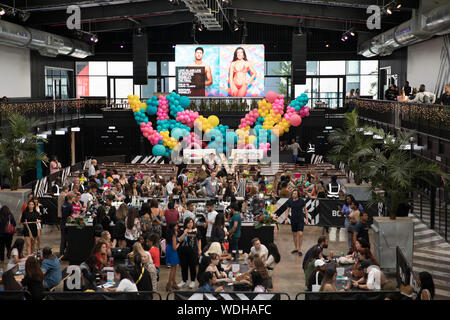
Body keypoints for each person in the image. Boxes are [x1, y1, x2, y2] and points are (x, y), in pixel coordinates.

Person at [177, 217, 202, 289]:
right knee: (184, 266)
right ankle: (184, 281)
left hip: (193, 252)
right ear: (186, 223)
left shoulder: (196, 230)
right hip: (183, 251)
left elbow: (199, 240)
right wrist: (184, 233)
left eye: (191, 222)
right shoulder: (182, 230)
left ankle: (193, 281)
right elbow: (179, 240)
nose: (190, 224)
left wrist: (199, 250)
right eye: (188, 223)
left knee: (192, 266)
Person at [286, 189, 309, 256]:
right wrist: (286, 219)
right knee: (294, 234)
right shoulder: (290, 201)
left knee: (300, 234)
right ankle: (296, 248)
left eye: (295, 193)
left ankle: (299, 249)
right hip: (293, 219)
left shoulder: (301, 201)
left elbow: (305, 209)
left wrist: (307, 219)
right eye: (293, 193)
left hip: (300, 219)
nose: (294, 194)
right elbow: (288, 210)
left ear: (298, 194)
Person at [165, 222, 180, 291]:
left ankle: (174, 283)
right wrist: (179, 243)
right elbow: (175, 247)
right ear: (173, 227)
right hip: (173, 251)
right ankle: (169, 285)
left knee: (174, 267)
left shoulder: (169, 233)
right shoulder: (173, 235)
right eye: (176, 226)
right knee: (173, 269)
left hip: (169, 249)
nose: (177, 227)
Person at [60, 192, 74, 258]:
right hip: (67, 224)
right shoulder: (70, 205)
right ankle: (67, 254)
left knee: (63, 239)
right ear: (71, 198)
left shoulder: (63, 205)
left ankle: (61, 253)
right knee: (69, 239)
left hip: (62, 223)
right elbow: (72, 216)